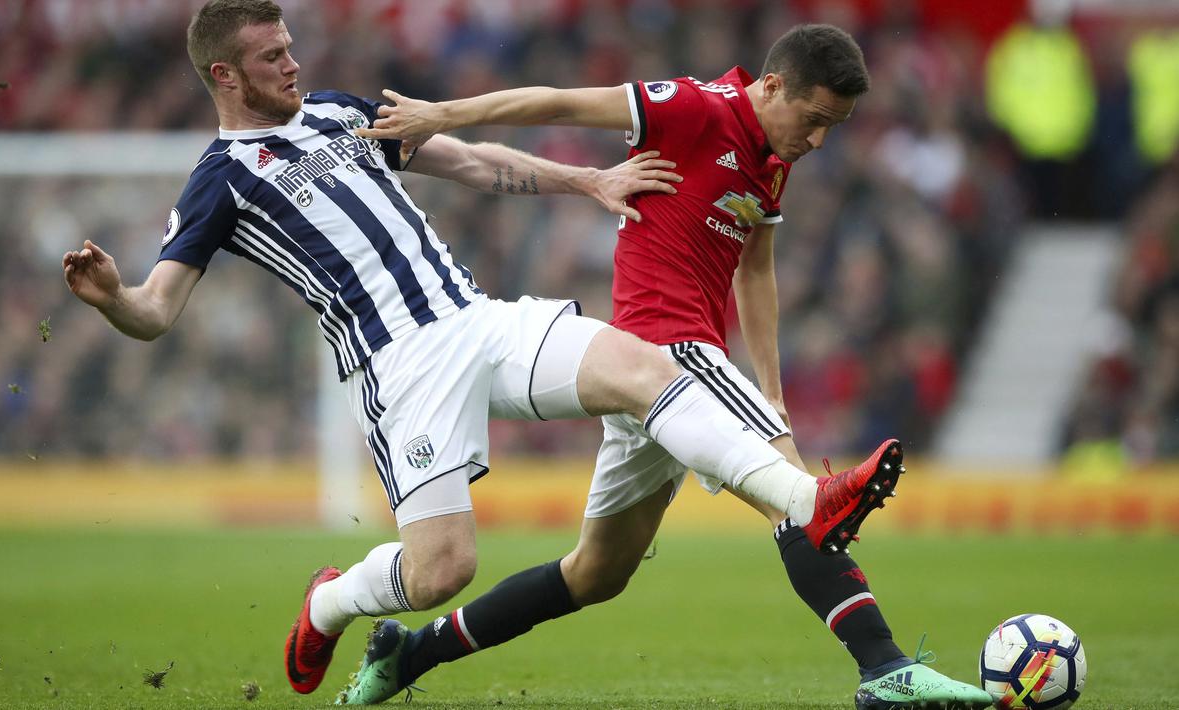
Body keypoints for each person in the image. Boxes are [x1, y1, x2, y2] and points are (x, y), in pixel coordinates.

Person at [61, 1, 903, 705]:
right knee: (440, 573)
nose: (291, 64)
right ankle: (332, 601)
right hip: (399, 367)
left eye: (288, 46)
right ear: (224, 75)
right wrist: (113, 301)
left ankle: (805, 498)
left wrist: (587, 181)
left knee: (649, 368)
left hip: (477, 320)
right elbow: (157, 311)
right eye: (270, 56)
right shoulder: (220, 179)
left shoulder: (340, 113)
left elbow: (470, 160)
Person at [342, 23, 991, 710]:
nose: (818, 140)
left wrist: (771, 391)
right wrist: (444, 114)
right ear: (770, 87)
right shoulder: (693, 108)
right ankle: (884, 669)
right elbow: (559, 102)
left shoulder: (773, 153)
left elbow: (756, 269)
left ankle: (413, 651)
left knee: (595, 573)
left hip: (647, 379)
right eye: (814, 120)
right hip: (668, 352)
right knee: (802, 503)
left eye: (833, 126)